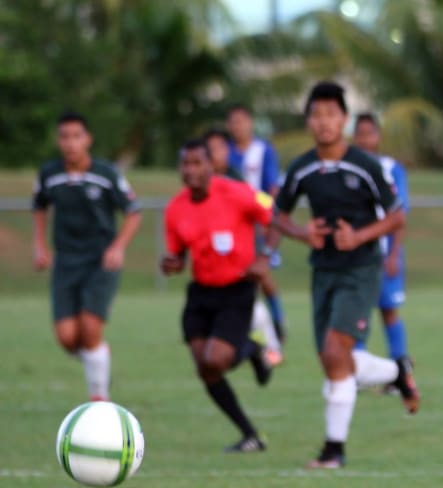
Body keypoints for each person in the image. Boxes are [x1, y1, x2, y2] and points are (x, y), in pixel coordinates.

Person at [269, 81, 421, 469]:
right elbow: (277, 215)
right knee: (332, 359)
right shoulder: (302, 168)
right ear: (308, 121)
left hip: (362, 269)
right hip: (323, 271)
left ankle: (333, 450)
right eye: (316, 115)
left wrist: (359, 237)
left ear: (344, 120)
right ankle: (396, 371)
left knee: (337, 352)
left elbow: (397, 216)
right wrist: (302, 233)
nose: (324, 122)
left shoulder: (365, 166)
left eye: (331, 114)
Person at [161, 138, 275, 453]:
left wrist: (265, 257)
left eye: (197, 163)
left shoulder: (237, 192)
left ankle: (252, 349)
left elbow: (274, 215)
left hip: (236, 289)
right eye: (185, 163)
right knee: (205, 368)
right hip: (201, 292)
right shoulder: (175, 208)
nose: (190, 170)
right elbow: (177, 254)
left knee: (215, 359)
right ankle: (250, 435)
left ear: (212, 165)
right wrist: (172, 263)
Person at [32, 111, 142, 402]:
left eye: (76, 136)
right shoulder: (49, 174)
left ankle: (99, 397)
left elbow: (133, 213)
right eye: (64, 136)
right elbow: (39, 206)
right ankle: (99, 359)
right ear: (58, 140)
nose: (70, 143)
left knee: (90, 328)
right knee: (67, 338)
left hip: (100, 260)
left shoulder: (106, 174)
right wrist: (40, 246)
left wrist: (117, 247)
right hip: (66, 261)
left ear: (88, 139)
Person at [205, 127, 283, 366]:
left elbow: (265, 203)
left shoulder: (237, 181)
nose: (214, 154)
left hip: (240, 249)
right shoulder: (199, 184)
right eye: (209, 149)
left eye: (219, 148)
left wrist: (263, 223)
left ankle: (273, 342)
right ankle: (252, 348)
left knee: (249, 293)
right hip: (211, 255)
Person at [352, 112, 414, 368]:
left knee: (388, 310)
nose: (365, 139)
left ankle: (400, 368)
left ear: (378, 137)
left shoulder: (392, 168)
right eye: (360, 134)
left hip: (384, 252)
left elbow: (400, 214)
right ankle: (357, 370)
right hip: (356, 254)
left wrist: (394, 254)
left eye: (370, 134)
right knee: (357, 314)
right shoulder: (348, 167)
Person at [226, 104, 288, 348]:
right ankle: (251, 332)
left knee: (262, 275)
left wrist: (266, 217)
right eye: (233, 122)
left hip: (256, 222)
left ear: (250, 123)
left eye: (241, 121)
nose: (237, 126)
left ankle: (277, 322)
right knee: (238, 280)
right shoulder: (225, 152)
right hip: (231, 225)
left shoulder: (263, 150)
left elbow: (272, 188)